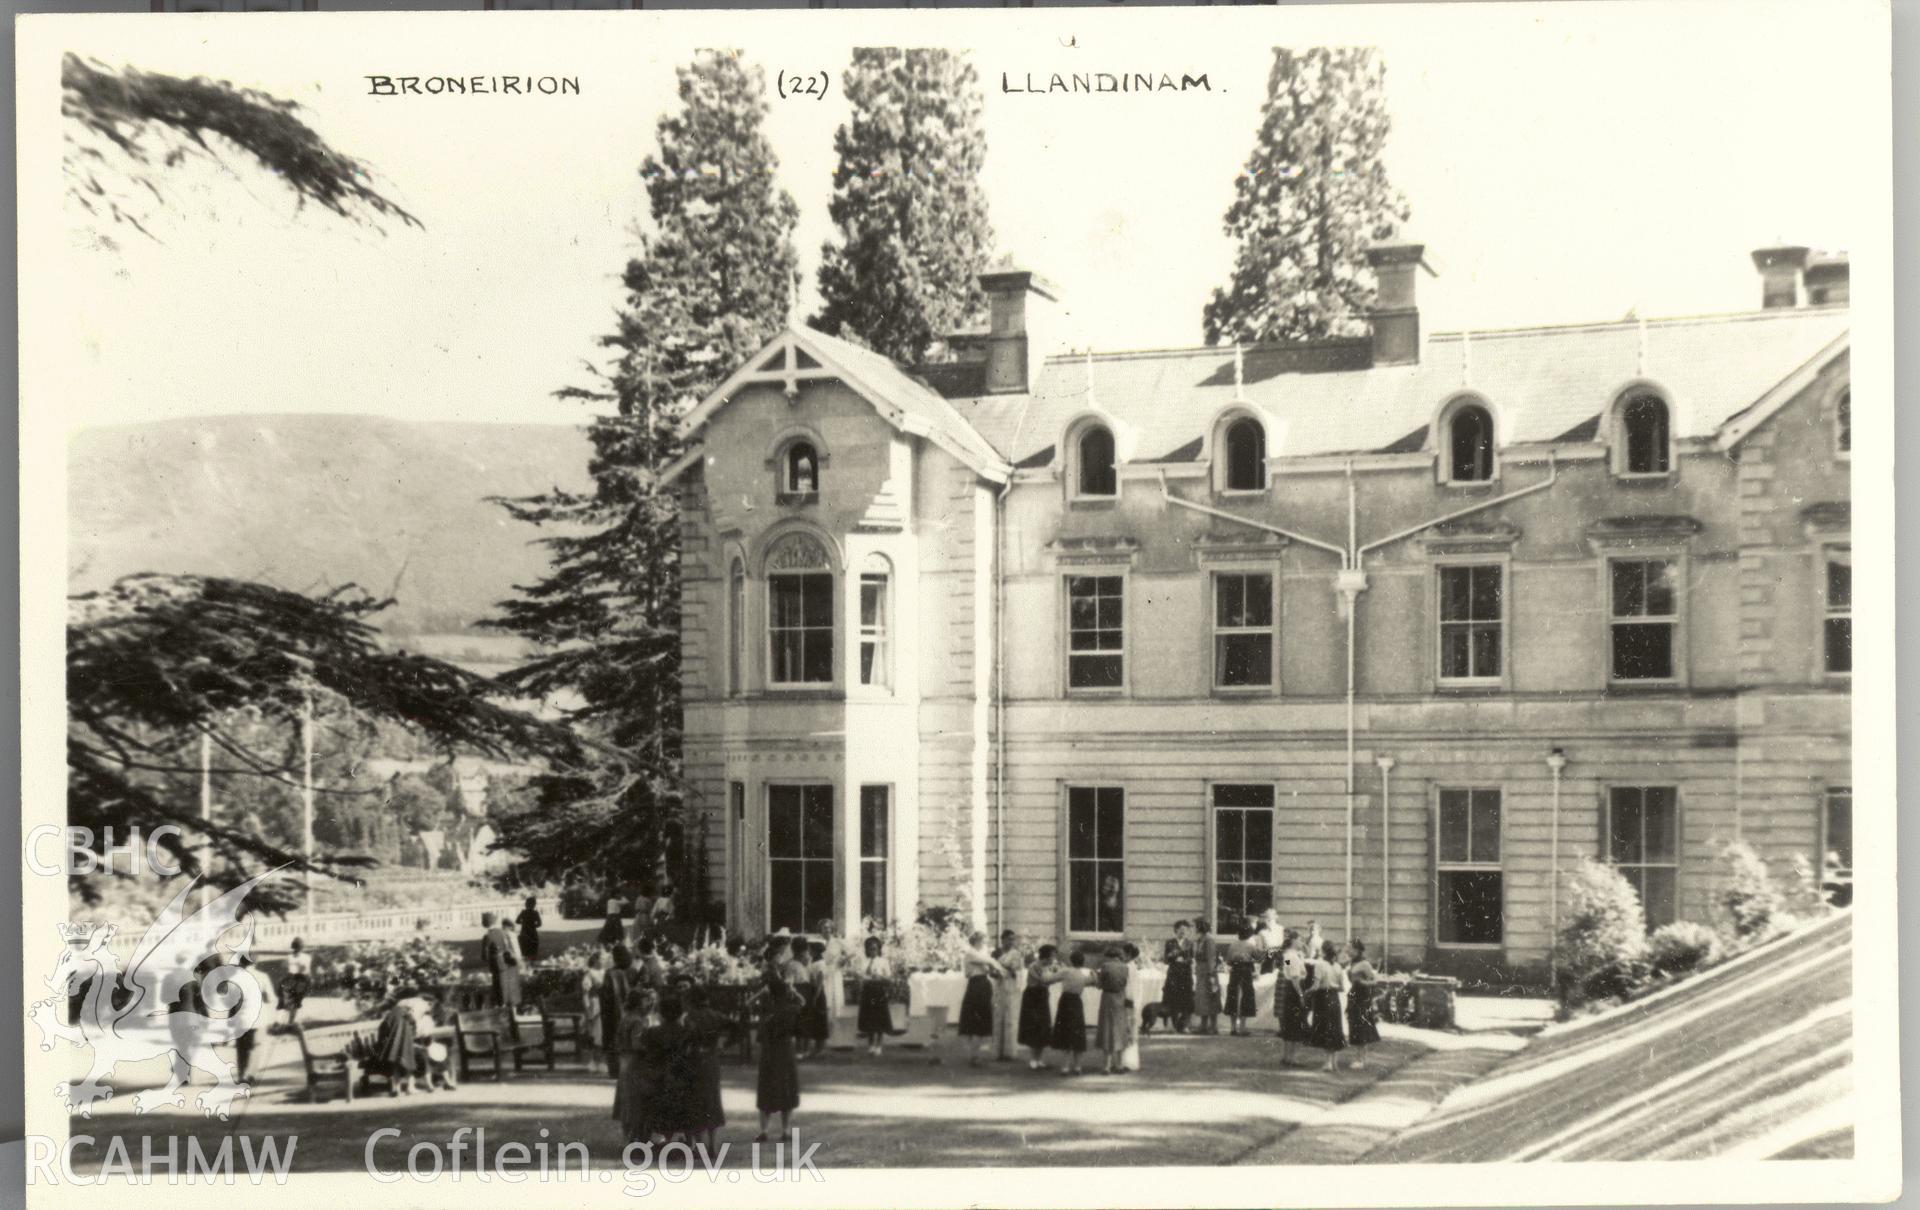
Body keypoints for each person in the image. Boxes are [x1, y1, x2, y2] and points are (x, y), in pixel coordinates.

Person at [752, 939, 806, 1143]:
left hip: (769, 1051)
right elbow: (802, 1002)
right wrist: (793, 991)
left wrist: (763, 993)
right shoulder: (790, 1010)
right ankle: (785, 1131)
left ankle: (764, 1130)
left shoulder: (767, 1011)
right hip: (785, 1050)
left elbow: (750, 1005)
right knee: (786, 1089)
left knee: (766, 1088)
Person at [640, 992, 699, 1144]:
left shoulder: (653, 1032)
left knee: (659, 1108)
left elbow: (645, 1048)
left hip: (659, 1073)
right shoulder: (686, 1031)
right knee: (683, 1107)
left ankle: (661, 1139)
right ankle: (687, 1140)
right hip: (680, 1072)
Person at [683, 985, 728, 1151]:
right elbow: (737, 1027)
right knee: (712, 1100)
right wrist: (723, 1043)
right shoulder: (716, 1015)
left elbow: (686, 1038)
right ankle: (712, 1144)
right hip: (711, 1060)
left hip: (695, 1060)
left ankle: (699, 1145)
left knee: (696, 1101)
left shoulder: (690, 1017)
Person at [614, 986, 658, 1145]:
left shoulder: (626, 1017)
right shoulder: (638, 1021)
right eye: (646, 1000)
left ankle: (630, 1139)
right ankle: (637, 1140)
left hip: (625, 1062)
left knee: (627, 1101)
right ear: (638, 1002)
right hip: (636, 1064)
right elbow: (637, 1044)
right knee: (637, 1101)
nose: (650, 1003)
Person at [957, 931, 1001, 1066]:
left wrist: (995, 969)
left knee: (979, 1022)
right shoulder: (971, 953)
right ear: (977, 941)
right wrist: (997, 966)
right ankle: (974, 1055)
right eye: (983, 940)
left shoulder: (980, 953)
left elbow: (990, 968)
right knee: (976, 1022)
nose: (985, 943)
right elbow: (989, 962)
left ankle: (974, 1054)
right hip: (976, 986)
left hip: (982, 985)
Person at [1049, 950, 1093, 1076]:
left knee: (1065, 1033)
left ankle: (1065, 1067)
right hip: (1076, 1002)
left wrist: (1049, 971)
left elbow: (1050, 979)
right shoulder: (1083, 973)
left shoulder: (1066, 971)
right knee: (1077, 1033)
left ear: (1071, 960)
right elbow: (1092, 981)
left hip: (1065, 1002)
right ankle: (1078, 1067)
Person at [1307, 940, 1349, 1072]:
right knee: (1335, 1028)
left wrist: (1306, 992)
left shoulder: (1320, 965)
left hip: (1323, 998)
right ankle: (1334, 1062)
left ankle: (1328, 1063)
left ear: (1323, 952)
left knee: (1325, 1028)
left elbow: (1316, 986)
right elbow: (1342, 987)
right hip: (1334, 998)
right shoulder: (1338, 967)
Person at [231, 955, 274, 1081]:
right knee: (255, 1046)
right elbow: (270, 998)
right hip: (258, 1018)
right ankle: (251, 1073)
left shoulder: (235, 978)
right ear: (255, 962)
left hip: (240, 1018)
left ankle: (241, 1074)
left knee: (241, 1048)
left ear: (241, 963)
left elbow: (231, 1002)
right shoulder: (263, 976)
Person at [1018, 944, 1059, 1071]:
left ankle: (1039, 1059)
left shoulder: (1050, 966)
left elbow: (1050, 980)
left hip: (1042, 996)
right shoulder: (1033, 966)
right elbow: (1042, 980)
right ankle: (1033, 1059)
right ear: (1046, 956)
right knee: (1033, 1026)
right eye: (1052, 955)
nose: (1054, 958)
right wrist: (1055, 976)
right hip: (1032, 997)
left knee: (1043, 1026)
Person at [372, 995, 422, 1096]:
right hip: (406, 1043)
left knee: (395, 1066)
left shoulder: (390, 1014)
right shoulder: (407, 1013)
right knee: (410, 1065)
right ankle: (410, 1088)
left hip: (394, 1045)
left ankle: (396, 1088)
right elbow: (414, 1027)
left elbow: (383, 1028)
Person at [1093, 945, 1131, 1075]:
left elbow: (1099, 985)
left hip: (1108, 998)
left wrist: (1095, 976)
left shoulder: (1105, 966)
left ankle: (1107, 1066)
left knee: (1107, 1029)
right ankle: (1119, 1064)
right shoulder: (1125, 967)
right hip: (1120, 998)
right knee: (1120, 1029)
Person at [854, 936, 894, 1057]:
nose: (872, 951)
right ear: (866, 949)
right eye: (870, 949)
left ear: (878, 949)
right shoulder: (863, 961)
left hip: (879, 991)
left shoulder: (883, 961)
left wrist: (880, 977)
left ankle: (879, 1045)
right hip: (867, 992)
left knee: (880, 1018)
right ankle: (871, 1045)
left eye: (875, 949)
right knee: (869, 1019)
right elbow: (859, 976)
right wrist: (862, 978)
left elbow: (888, 978)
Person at [1344, 941, 1381, 1069]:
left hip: (1362, 999)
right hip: (1354, 997)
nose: (1346, 950)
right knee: (1355, 1027)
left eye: (1349, 948)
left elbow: (1374, 981)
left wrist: (1363, 982)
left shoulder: (1364, 964)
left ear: (1356, 950)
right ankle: (1358, 1058)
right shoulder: (1352, 963)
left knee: (1362, 1027)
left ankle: (1361, 1060)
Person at [1278, 929, 1312, 1065]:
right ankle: (1293, 1057)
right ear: (1293, 941)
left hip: (1288, 990)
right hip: (1295, 990)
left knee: (1289, 1024)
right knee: (1297, 1023)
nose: (1301, 943)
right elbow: (1295, 978)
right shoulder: (1293, 957)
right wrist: (1302, 995)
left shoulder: (1287, 955)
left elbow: (1286, 969)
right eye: (1299, 940)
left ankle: (1286, 1056)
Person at [600, 948, 636, 1072]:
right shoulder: (632, 971)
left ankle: (614, 1069)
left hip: (612, 1011)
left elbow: (606, 993)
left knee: (612, 1037)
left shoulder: (610, 973)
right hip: (628, 1009)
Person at [990, 929, 1023, 1061]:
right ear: (1002, 939)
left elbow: (1017, 972)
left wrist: (1004, 968)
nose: (1011, 942)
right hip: (999, 986)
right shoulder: (996, 953)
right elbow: (991, 971)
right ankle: (997, 1051)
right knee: (998, 1017)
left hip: (1011, 986)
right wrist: (996, 971)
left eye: (1013, 939)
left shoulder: (1016, 954)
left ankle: (1009, 1051)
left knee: (1011, 1017)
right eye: (1009, 939)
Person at [1223, 922, 1260, 1036]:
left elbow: (1228, 960)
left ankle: (1233, 1027)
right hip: (1246, 971)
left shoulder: (1233, 944)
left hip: (1235, 971)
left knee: (1233, 996)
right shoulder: (1251, 945)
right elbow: (1258, 958)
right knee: (1246, 997)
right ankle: (1243, 1027)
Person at [481, 912, 522, 1011]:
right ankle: (513, 1009)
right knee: (510, 988)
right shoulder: (504, 932)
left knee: (500, 989)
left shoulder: (488, 936)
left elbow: (485, 956)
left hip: (497, 964)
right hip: (509, 963)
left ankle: (503, 1011)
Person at [798, 940, 831, 1060]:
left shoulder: (821, 964)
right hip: (810, 992)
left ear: (816, 951)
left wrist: (815, 998)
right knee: (813, 1021)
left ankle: (820, 1049)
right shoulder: (812, 962)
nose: (808, 951)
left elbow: (819, 984)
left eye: (810, 949)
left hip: (818, 995)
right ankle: (814, 1049)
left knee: (820, 1021)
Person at [1162, 920, 1196, 1034]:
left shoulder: (1190, 943)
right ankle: (1174, 1025)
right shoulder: (1170, 943)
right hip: (1173, 974)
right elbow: (1166, 959)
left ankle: (1184, 1025)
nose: (1183, 932)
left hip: (1186, 974)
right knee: (1173, 999)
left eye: (1185, 930)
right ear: (1176, 930)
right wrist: (1173, 957)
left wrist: (1185, 960)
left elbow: (1192, 958)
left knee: (1187, 999)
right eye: (1181, 930)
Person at [1118, 942, 1145, 1073]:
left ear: (1128, 954)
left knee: (1128, 1031)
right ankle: (1129, 1061)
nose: (1121, 955)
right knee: (1130, 1031)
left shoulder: (1128, 968)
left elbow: (1130, 988)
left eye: (1122, 953)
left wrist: (1126, 1000)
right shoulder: (1132, 967)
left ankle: (1127, 1062)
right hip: (1132, 1001)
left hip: (1129, 1001)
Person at [1192, 918, 1221, 1035]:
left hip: (1209, 973)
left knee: (1212, 998)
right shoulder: (1200, 940)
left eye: (1195, 926)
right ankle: (1203, 1025)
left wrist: (1211, 975)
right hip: (1201, 973)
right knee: (1202, 1000)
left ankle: (1213, 1027)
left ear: (1200, 927)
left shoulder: (1209, 940)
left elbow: (1211, 958)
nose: (1193, 929)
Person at [581, 951, 607, 1073]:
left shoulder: (606, 972)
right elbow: (585, 994)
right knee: (594, 1035)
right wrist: (587, 1010)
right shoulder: (590, 973)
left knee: (601, 1035)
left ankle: (600, 1061)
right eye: (601, 959)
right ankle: (593, 1061)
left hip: (604, 1004)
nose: (604, 961)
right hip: (594, 1004)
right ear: (595, 960)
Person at [279, 937, 311, 1031]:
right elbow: (284, 967)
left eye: (299, 947)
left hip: (300, 979)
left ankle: (290, 1022)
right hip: (294, 979)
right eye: (297, 947)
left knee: (295, 1002)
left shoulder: (305, 957)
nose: (298, 949)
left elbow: (306, 970)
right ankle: (289, 1022)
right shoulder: (291, 957)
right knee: (292, 1002)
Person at [516, 896, 543, 964]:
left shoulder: (523, 912)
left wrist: (524, 923)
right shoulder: (535, 913)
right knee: (532, 951)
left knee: (524, 950)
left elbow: (517, 921)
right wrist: (533, 926)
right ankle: (531, 964)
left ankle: (525, 965)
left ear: (526, 904)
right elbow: (540, 923)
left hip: (524, 933)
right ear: (534, 905)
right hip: (532, 933)